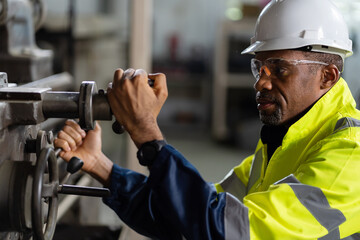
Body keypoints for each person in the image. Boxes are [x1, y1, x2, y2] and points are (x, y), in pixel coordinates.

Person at [54, 0, 360, 239]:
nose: (260, 83)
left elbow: (223, 232)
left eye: (279, 69)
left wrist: (145, 131)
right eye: (259, 68)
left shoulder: (349, 157)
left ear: (327, 77)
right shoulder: (282, 144)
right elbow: (187, 217)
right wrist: (99, 165)